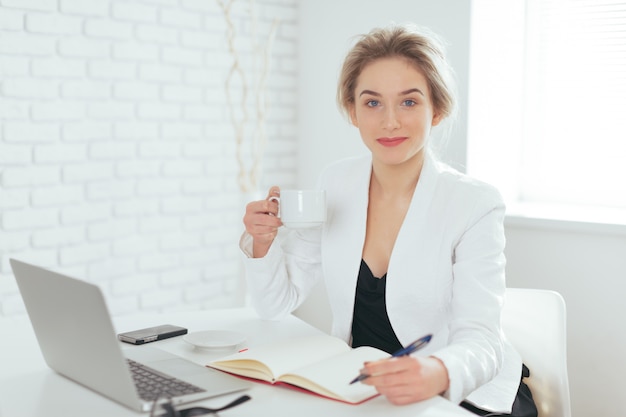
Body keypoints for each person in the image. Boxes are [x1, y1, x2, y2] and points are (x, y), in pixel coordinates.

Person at [240, 23, 537, 417]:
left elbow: (482, 341)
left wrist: (437, 370)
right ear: (353, 111)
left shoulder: (474, 203)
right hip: (365, 392)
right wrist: (263, 244)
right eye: (373, 103)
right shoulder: (336, 182)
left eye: (409, 102)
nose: (390, 121)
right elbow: (275, 305)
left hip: (456, 392)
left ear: (438, 109)